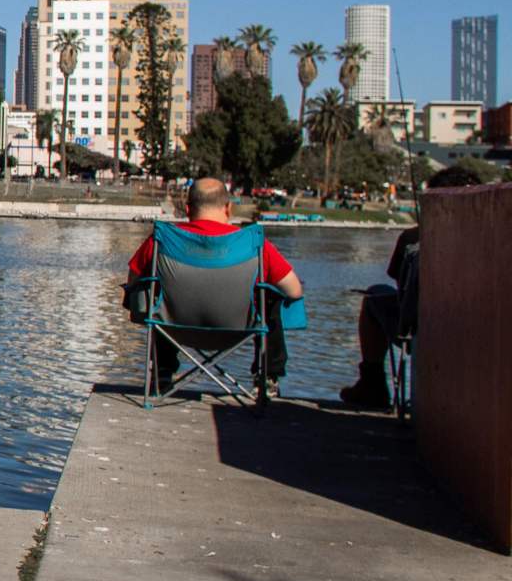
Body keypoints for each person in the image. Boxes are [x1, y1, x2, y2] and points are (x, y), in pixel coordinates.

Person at [125, 176, 304, 387]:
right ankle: (268, 377)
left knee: (156, 290)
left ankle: (162, 372)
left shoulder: (162, 239)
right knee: (270, 297)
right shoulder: (253, 243)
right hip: (239, 331)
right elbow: (294, 291)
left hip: (173, 329)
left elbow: (133, 282)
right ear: (228, 208)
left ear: (188, 208)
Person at [340, 163, 485, 409]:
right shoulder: (485, 236)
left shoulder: (411, 238)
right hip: (475, 326)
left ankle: (372, 383)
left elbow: (402, 289)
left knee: (375, 296)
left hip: (419, 327)